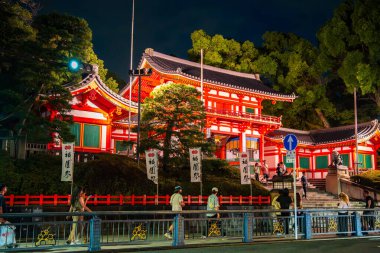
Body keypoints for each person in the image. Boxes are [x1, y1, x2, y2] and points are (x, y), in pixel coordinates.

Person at [0, 183, 17, 248]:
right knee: (11, 228)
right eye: (6, 187)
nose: (6, 189)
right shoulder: (1, 197)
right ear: (3, 189)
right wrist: (1, 219)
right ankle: (10, 243)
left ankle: (9, 243)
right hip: (2, 218)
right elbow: (0, 208)